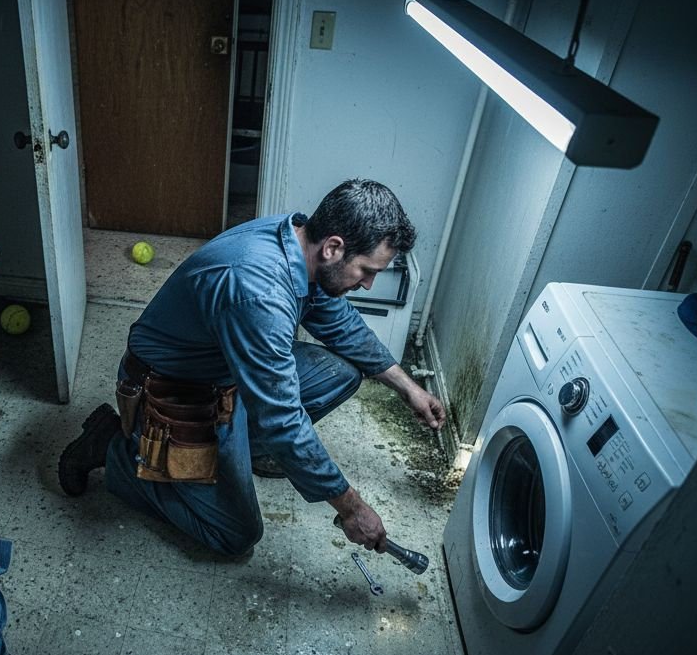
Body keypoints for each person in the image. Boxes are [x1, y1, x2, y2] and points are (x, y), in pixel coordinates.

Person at [57, 179, 445, 556]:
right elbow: (283, 420)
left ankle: (246, 448)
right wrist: (351, 508)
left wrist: (407, 387)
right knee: (236, 534)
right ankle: (113, 448)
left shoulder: (297, 240)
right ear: (333, 248)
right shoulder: (258, 290)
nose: (369, 285)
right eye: (367, 270)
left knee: (339, 373)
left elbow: (341, 324)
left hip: (228, 370)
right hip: (175, 389)